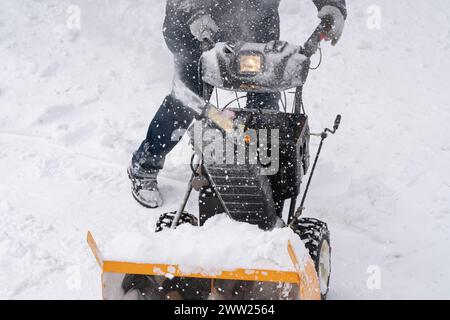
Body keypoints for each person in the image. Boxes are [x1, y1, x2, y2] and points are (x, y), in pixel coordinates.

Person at [128, 0, 347, 208]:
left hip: (256, 21)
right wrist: (193, 11)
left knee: (264, 102)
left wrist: (332, 5)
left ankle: (257, 171)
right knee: (188, 101)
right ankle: (144, 167)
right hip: (195, 27)